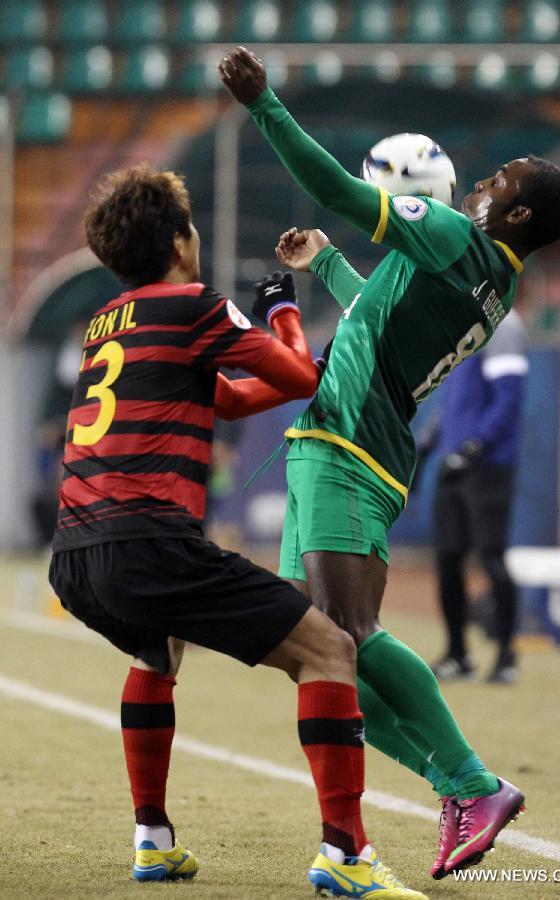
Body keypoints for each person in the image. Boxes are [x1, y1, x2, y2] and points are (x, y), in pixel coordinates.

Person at [218, 46, 560, 879]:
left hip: (350, 448)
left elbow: (344, 193)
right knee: (317, 652)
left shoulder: (455, 237)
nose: (481, 182)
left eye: (500, 180)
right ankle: (455, 785)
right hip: (338, 444)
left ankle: (471, 782)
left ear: (517, 217)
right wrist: (328, 265)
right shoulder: (488, 279)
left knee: (346, 633)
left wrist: (265, 106)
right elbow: (378, 313)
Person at [48, 164, 428, 899]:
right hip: (149, 543)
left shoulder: (106, 323)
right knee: (327, 649)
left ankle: (153, 840)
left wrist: (295, 365)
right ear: (180, 241)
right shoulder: (194, 304)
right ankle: (345, 853)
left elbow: (222, 399)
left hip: (76, 554)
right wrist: (282, 308)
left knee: (158, 649)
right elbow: (292, 378)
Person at [425, 308, 529, 684]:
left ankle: (506, 656)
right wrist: (430, 443)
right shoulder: (466, 325)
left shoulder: (504, 325)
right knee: (448, 560)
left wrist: (473, 446)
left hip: (488, 466)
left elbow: (509, 398)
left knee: (491, 557)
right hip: (453, 463)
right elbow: (454, 401)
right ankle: (458, 654)